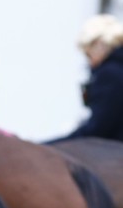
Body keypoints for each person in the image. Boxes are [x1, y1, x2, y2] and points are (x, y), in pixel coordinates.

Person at [50, 14, 123, 142]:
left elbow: (98, 128)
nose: (90, 63)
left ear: (100, 44)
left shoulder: (109, 74)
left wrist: (54, 145)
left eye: (89, 55)